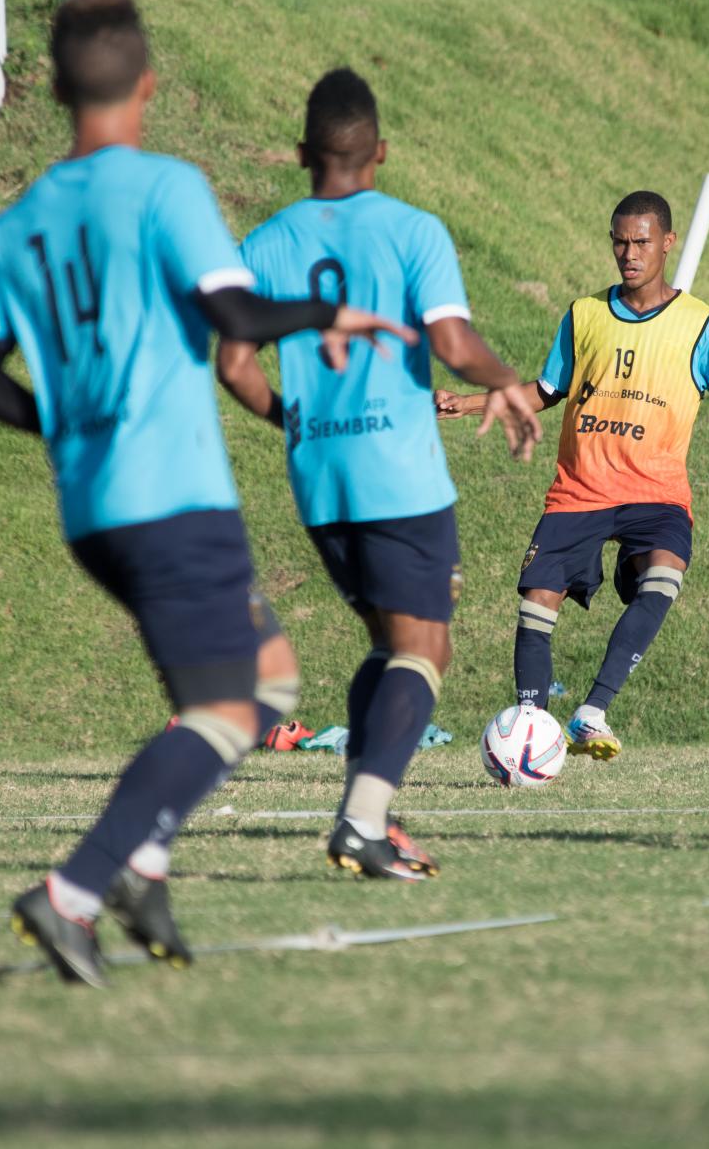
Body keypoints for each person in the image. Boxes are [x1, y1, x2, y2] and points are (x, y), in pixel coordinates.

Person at [0, 0, 410, 985]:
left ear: (56, 89)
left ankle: (145, 870)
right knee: (227, 712)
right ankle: (76, 889)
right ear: (148, 85)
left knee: (268, 677)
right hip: (171, 498)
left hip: (94, 511)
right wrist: (327, 311)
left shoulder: (16, 223)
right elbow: (235, 312)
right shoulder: (164, 187)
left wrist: (61, 426)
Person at [219, 67, 539, 881]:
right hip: (398, 469)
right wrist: (504, 379)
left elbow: (233, 362)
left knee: (388, 644)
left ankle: (370, 812)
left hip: (319, 472)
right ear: (381, 151)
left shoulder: (265, 242)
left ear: (302, 152)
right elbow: (454, 343)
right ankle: (361, 823)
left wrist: (289, 419)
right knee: (427, 646)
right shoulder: (413, 230)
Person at [438, 191, 709, 763]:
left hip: (656, 494)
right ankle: (532, 732)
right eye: (619, 241)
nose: (629, 253)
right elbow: (546, 390)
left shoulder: (702, 326)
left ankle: (592, 713)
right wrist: (466, 403)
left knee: (663, 577)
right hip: (580, 490)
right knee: (536, 604)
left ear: (667, 243)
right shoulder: (584, 315)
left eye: (641, 242)